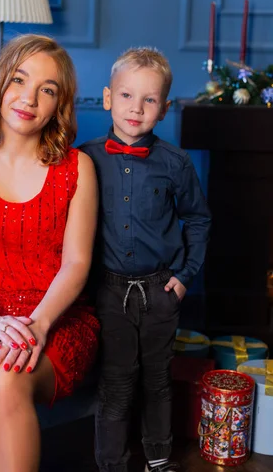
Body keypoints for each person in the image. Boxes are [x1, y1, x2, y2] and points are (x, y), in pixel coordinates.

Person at [0, 34, 100, 472]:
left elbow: (77, 263)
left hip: (54, 315)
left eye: (47, 90)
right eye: (19, 79)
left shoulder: (77, 169)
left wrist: (41, 325)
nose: (29, 98)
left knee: (8, 379)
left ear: (59, 105)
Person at [80, 47, 211, 472]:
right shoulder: (85, 159)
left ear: (164, 108)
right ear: (106, 98)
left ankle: (158, 458)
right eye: (126, 96)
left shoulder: (175, 163)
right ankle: (112, 464)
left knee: (157, 379)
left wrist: (186, 276)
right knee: (117, 381)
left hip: (161, 289)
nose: (136, 108)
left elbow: (197, 218)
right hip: (109, 290)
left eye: (149, 100)